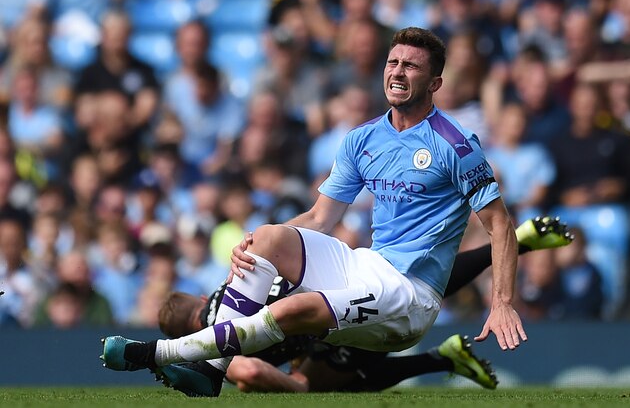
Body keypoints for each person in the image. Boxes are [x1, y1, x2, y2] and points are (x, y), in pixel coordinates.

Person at [101, 27, 526, 397]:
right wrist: (248, 246)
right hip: (368, 266)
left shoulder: (456, 144)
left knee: (289, 313)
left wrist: (502, 301)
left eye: (411, 66)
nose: (397, 71)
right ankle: (210, 372)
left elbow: (500, 225)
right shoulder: (362, 139)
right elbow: (321, 217)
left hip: (411, 295)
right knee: (268, 235)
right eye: (393, 62)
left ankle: (150, 354)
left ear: (434, 83)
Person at [154, 216, 573, 395]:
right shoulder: (232, 285)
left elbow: (244, 368)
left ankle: (440, 361)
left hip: (319, 319)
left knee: (328, 379)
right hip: (332, 278)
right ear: (197, 300)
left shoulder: (214, 337)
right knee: (415, 292)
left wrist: (295, 387)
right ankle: (507, 244)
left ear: (186, 334)